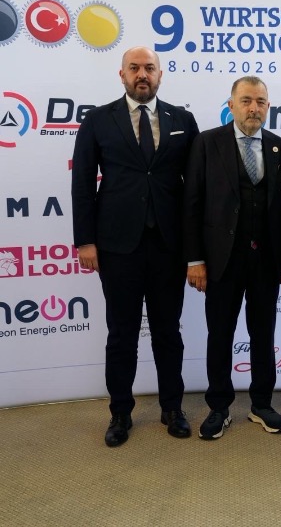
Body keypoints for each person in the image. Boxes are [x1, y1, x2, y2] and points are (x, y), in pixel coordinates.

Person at [71, 46, 199, 446]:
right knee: (122, 333)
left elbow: (195, 190)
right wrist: (85, 240)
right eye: (134, 68)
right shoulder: (98, 120)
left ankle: (172, 408)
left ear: (160, 74)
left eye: (149, 68)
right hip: (116, 246)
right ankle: (120, 413)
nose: (142, 74)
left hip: (169, 246)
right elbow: (81, 184)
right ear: (122, 74)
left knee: (168, 332)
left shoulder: (183, 120)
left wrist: (195, 249)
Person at [183, 76, 281, 440]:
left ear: (268, 106)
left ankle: (262, 404)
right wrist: (194, 259)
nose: (253, 108)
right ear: (231, 105)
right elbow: (192, 204)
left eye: (260, 101)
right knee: (220, 334)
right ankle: (219, 407)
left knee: (263, 334)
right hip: (220, 260)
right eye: (246, 100)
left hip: (266, 261)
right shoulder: (206, 143)